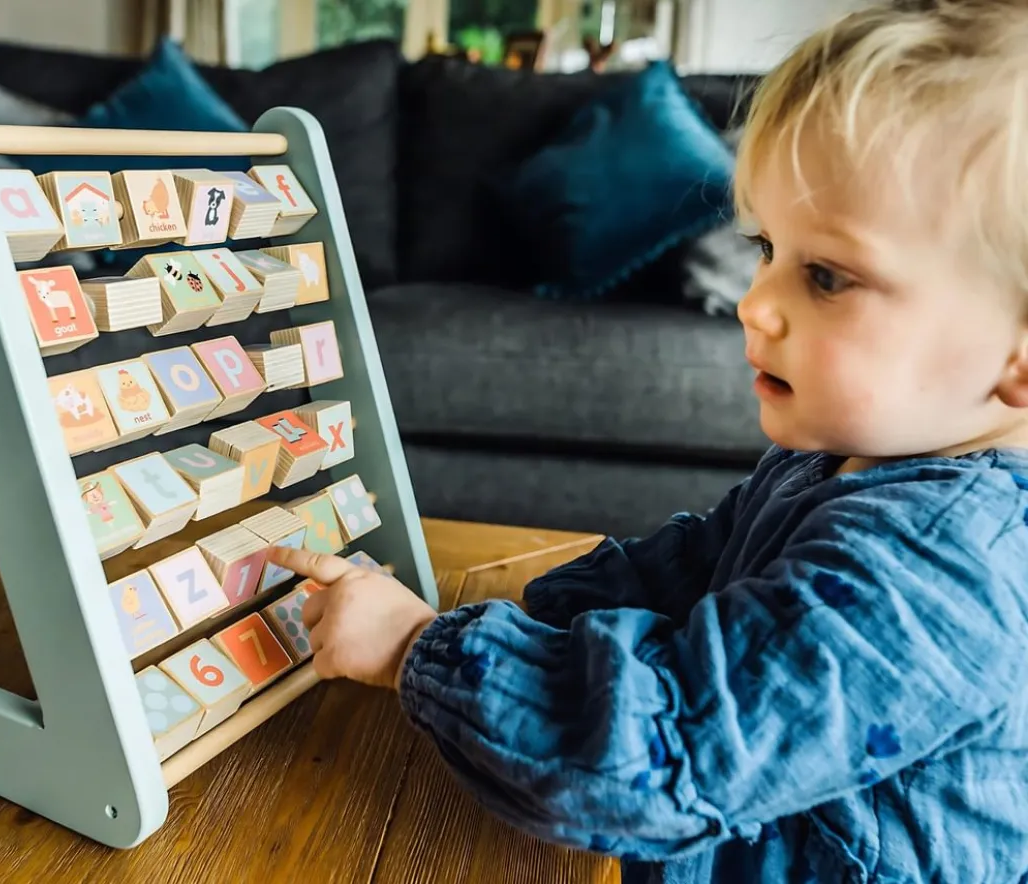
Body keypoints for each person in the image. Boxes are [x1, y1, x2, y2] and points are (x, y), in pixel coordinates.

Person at [267, 1, 1028, 879]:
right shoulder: (850, 456)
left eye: (826, 276)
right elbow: (698, 562)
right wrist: (523, 617)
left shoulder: (935, 577)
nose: (755, 302)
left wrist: (417, 651)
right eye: (767, 247)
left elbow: (653, 761)